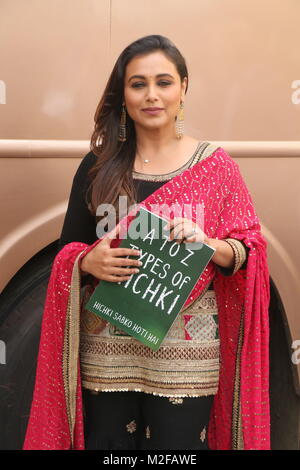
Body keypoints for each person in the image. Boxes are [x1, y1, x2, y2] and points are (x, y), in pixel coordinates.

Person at [23, 35, 270, 450]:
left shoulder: (215, 166)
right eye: (138, 84)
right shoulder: (97, 165)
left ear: (183, 88)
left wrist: (209, 243)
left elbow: (248, 248)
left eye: (164, 82)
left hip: (187, 352)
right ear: (123, 95)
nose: (152, 95)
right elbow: (66, 252)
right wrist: (87, 262)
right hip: (107, 347)